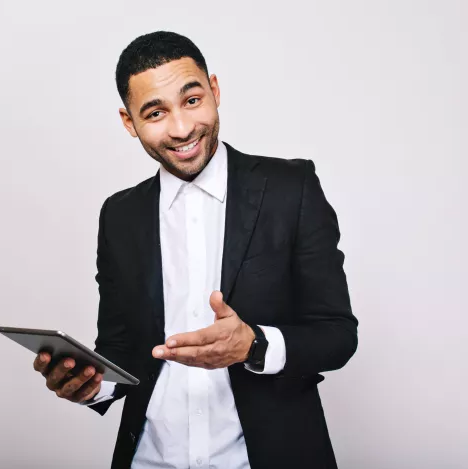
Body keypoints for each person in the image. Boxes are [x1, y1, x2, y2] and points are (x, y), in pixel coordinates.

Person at [33, 31, 358, 469]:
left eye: (191, 100)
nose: (182, 128)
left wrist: (253, 345)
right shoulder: (119, 215)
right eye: (155, 112)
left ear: (215, 91)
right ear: (129, 123)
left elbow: (337, 334)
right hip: (150, 458)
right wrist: (92, 384)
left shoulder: (290, 189)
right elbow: (120, 346)